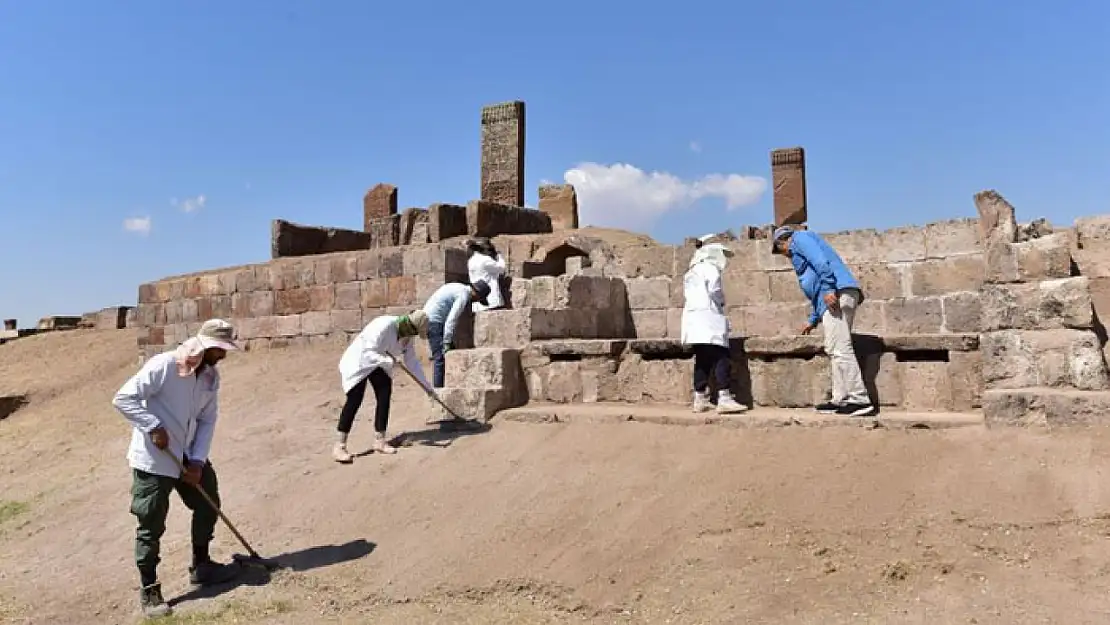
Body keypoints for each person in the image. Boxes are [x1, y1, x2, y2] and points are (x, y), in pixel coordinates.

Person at [111, 319, 241, 619]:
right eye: (220, 350)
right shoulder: (165, 366)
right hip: (154, 460)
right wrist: (152, 425)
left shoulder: (210, 377)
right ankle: (149, 588)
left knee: (209, 504)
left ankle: (202, 565)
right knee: (151, 521)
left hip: (187, 455)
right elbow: (123, 399)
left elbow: (208, 419)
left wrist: (196, 462)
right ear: (206, 346)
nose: (223, 356)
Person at [771, 225, 876, 417]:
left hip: (837, 292)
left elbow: (821, 262)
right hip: (834, 296)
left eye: (780, 250)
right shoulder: (798, 249)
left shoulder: (800, 238)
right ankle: (840, 399)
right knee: (833, 348)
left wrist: (829, 289)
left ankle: (860, 399)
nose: (784, 256)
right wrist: (813, 319)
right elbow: (815, 290)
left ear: (782, 242)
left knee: (840, 348)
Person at [334, 310, 432, 463]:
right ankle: (340, 446)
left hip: (379, 364)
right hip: (359, 362)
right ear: (411, 326)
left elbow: (412, 362)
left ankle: (379, 440)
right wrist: (389, 361)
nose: (414, 336)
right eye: (415, 332)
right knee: (355, 399)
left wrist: (427, 387)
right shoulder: (384, 325)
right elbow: (368, 351)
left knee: (384, 394)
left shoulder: (407, 338)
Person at [681, 236, 747, 414]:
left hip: (693, 319)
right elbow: (715, 290)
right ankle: (724, 397)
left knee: (702, 359)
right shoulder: (710, 268)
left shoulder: (691, 272)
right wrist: (722, 301)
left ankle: (699, 398)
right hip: (709, 316)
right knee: (720, 355)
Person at [422, 280, 491, 388]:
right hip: (434, 322)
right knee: (439, 358)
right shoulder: (463, 296)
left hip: (429, 319)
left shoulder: (458, 287)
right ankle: (438, 393)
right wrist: (446, 342)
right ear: (476, 294)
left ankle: (451, 385)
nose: (474, 302)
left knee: (451, 353)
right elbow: (451, 319)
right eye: (478, 299)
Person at [467, 237, 507, 312]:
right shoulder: (486, 260)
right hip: (491, 300)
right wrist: (499, 257)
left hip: (477, 303)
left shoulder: (471, 260)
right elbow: (501, 269)